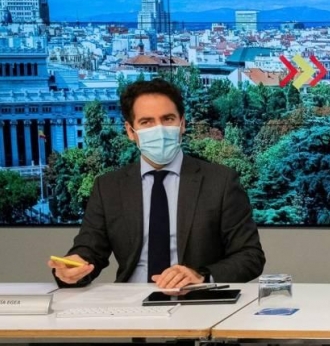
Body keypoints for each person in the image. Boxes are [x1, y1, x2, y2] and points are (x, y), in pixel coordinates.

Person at [48, 79, 266, 289]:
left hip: (197, 301)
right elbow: (88, 252)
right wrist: (70, 269)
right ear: (130, 131)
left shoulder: (221, 182)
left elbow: (250, 256)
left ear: (182, 124)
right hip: (130, 306)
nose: (159, 129)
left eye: (168, 119)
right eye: (146, 122)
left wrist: (202, 276)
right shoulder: (108, 187)